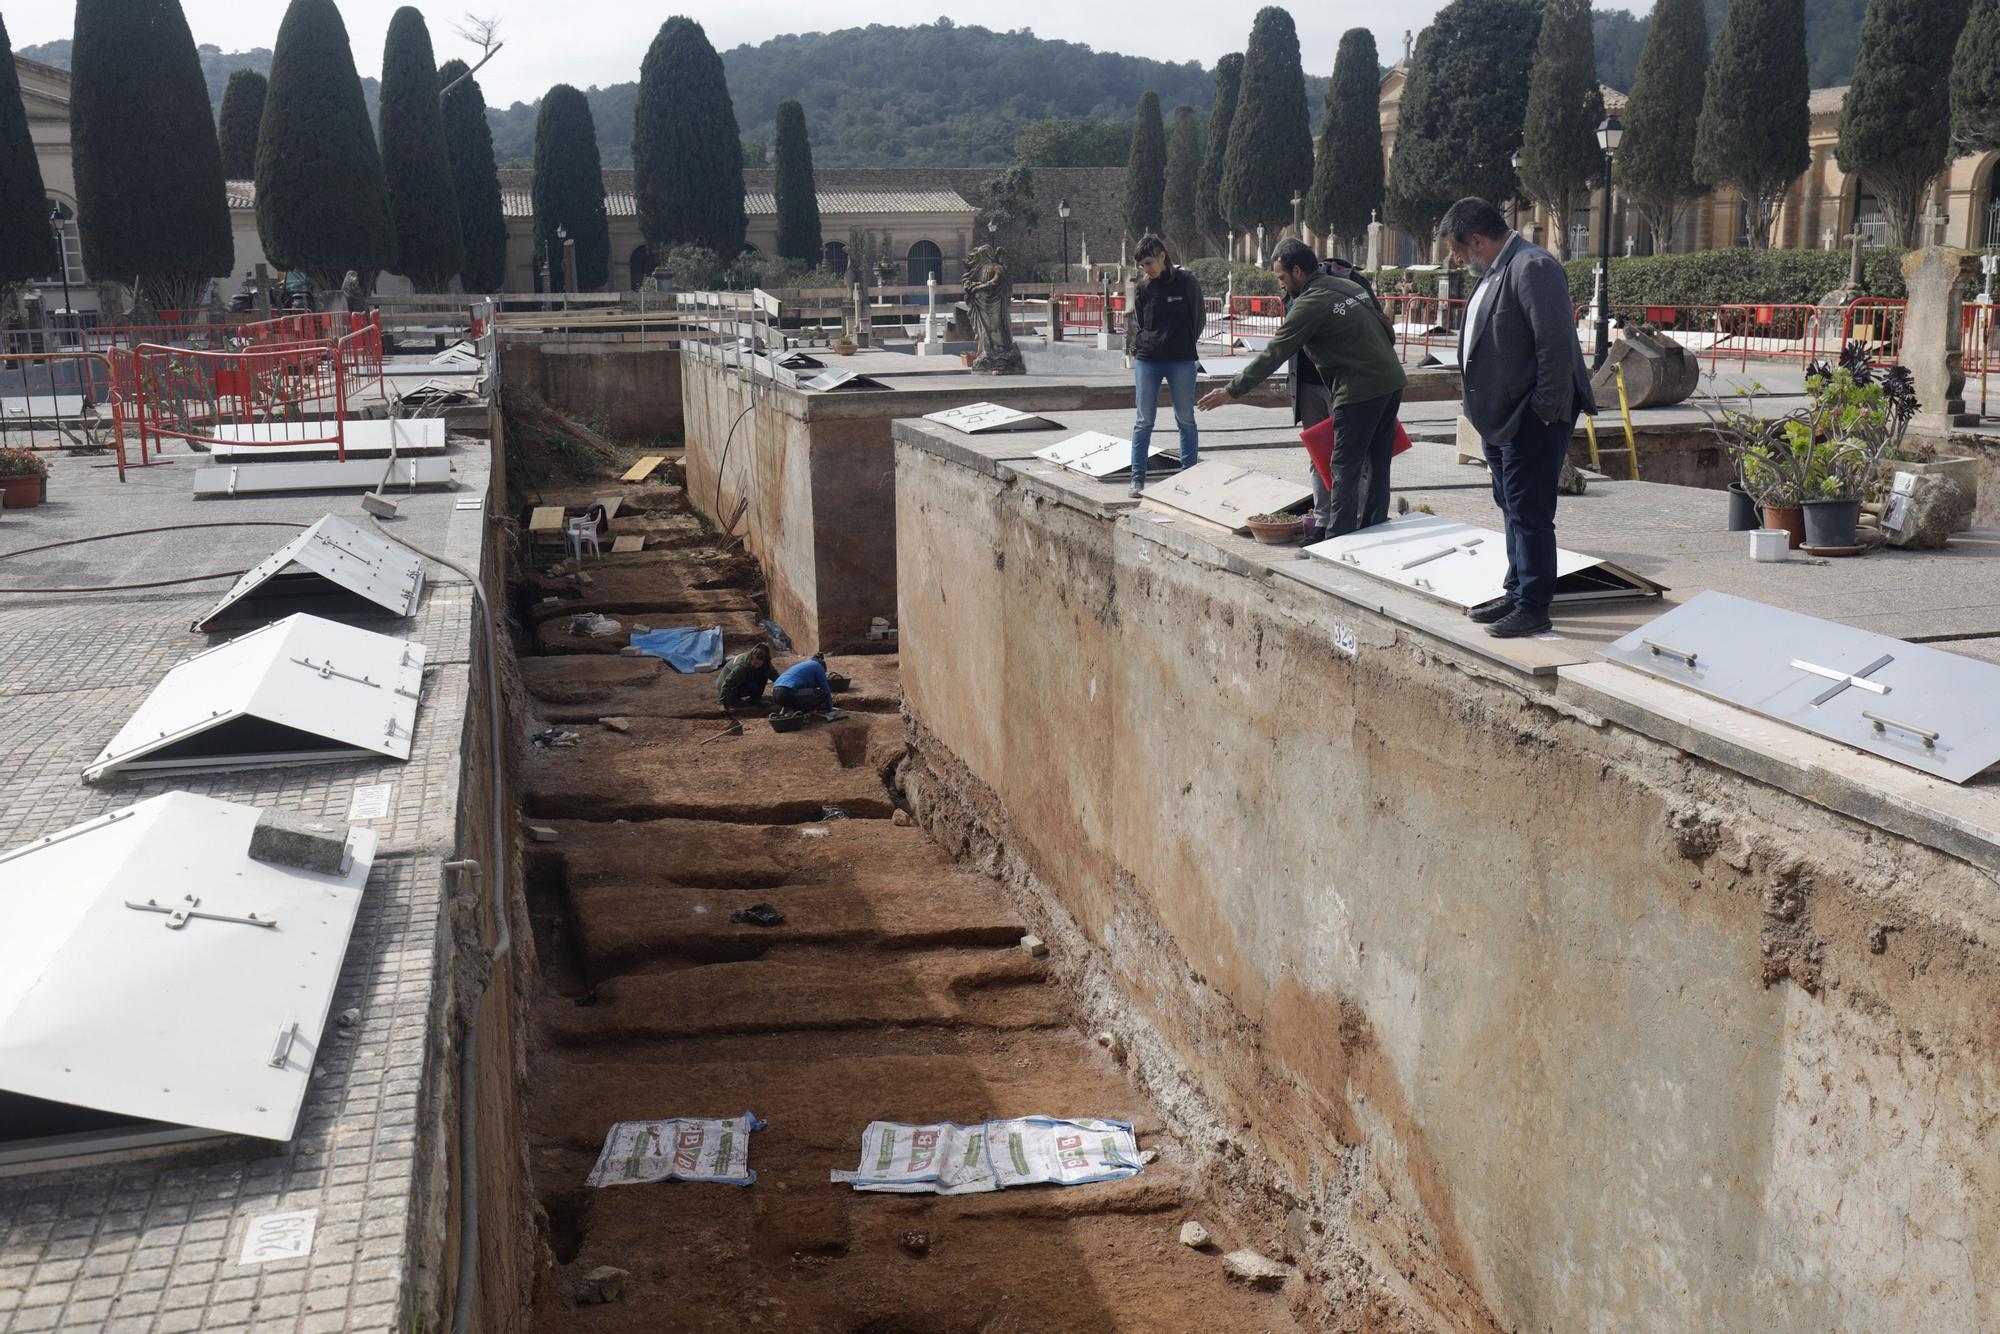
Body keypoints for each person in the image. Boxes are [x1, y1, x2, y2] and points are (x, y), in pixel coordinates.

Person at [1439, 197, 1595, 640]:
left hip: (1532, 417)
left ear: (1477, 239)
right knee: (1510, 505)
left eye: (1456, 249)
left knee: (1530, 511)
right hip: (1501, 418)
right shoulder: (1493, 272)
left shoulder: (1532, 267)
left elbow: (1556, 346)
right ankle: (1517, 588)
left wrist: (1543, 413)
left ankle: (1534, 605)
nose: (1455, 259)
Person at [1197, 237, 1406, 537]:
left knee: (1344, 467)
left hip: (1359, 389)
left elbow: (1275, 353)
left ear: (1297, 272)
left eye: (1282, 277)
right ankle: (1374, 529)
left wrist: (1232, 391)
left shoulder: (1309, 304)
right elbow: (1386, 332)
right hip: (1391, 382)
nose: (1280, 285)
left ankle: (1339, 538)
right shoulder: (1351, 287)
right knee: (1378, 461)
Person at [1123, 234, 1205, 497]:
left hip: (1181, 359)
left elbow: (1199, 318)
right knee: (1144, 420)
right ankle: (1137, 478)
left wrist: (1184, 344)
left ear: (1162, 257)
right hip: (1149, 360)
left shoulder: (1187, 282)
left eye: (1149, 262)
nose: (1146, 269)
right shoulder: (1144, 288)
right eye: (1142, 265)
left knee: (1185, 419)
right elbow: (1139, 319)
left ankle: (1189, 474)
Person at [771, 652, 848, 721]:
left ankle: (788, 708)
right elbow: (826, 690)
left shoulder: (805, 665)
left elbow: (804, 689)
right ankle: (797, 712)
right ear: (823, 667)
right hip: (787, 693)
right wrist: (830, 710)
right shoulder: (818, 667)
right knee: (822, 694)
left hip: (775, 694)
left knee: (807, 693)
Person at [716, 642, 775, 709]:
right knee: (752, 686)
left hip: (739, 680)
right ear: (751, 657)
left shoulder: (766, 665)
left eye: (758, 664)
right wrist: (725, 703)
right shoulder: (742, 667)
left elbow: (776, 678)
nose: (755, 666)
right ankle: (733, 698)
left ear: (764, 662)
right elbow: (727, 684)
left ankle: (755, 698)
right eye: (754, 663)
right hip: (724, 684)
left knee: (764, 673)